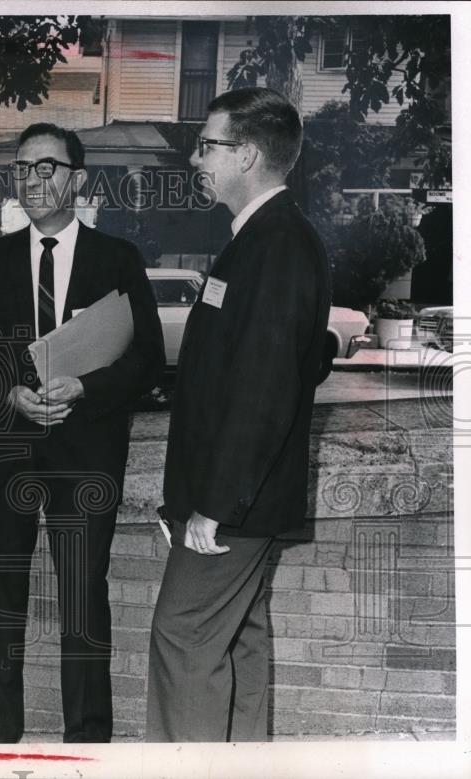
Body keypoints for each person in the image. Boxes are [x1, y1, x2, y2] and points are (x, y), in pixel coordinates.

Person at [0, 123, 165, 743]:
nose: (31, 179)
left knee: (83, 599)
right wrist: (10, 395)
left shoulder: (118, 259)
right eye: (22, 168)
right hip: (4, 456)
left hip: (86, 454)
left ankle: (88, 741)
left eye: (46, 167)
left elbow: (148, 359)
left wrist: (84, 387)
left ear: (78, 178)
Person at [146, 88, 332, 742]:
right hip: (238, 500)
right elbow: (286, 357)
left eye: (207, 145)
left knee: (183, 636)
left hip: (232, 506)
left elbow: (263, 389)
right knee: (237, 639)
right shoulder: (266, 239)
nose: (196, 158)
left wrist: (214, 505)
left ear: (246, 154)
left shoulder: (275, 245)